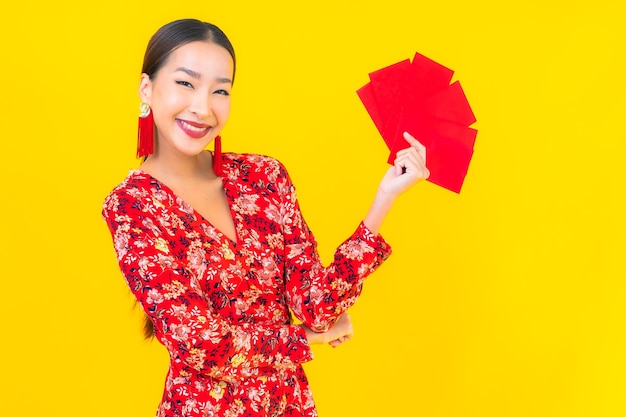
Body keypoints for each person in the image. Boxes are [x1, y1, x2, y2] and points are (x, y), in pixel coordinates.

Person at [102, 18, 429, 417]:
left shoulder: (264, 177)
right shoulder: (132, 206)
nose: (203, 107)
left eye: (220, 90)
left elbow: (316, 304)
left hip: (288, 406)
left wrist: (385, 197)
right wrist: (306, 338)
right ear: (146, 89)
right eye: (185, 83)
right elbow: (202, 346)